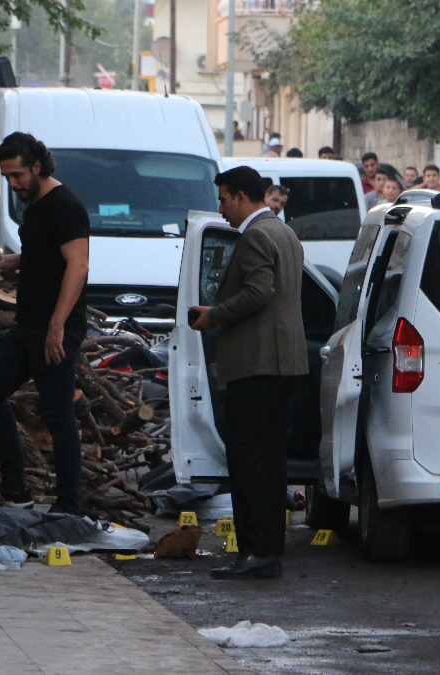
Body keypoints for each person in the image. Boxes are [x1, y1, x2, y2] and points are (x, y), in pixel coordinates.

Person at [188, 166, 307, 580]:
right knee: (270, 461)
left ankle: (256, 551)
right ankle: (267, 551)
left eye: (223, 199)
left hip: (257, 364)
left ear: (241, 196)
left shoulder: (256, 235)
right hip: (282, 362)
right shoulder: (283, 232)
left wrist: (214, 315)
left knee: (249, 462)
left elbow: (260, 292)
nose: (220, 209)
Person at [0, 132, 90, 515]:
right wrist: (5, 262)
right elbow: (40, 253)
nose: (13, 183)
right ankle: (15, 487)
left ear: (37, 167)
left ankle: (68, 506)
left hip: (54, 328)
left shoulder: (64, 206)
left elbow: (78, 264)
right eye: (6, 177)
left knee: (57, 415)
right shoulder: (35, 206)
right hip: (27, 325)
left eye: (18, 175)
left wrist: (58, 326)